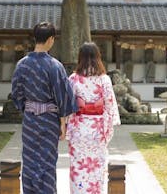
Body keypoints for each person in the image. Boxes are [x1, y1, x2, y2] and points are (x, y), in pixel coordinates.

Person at [11, 21, 78, 194]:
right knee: (47, 163)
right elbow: (62, 96)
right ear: (51, 39)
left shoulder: (22, 65)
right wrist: (63, 124)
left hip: (30, 121)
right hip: (49, 122)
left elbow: (17, 94)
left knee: (30, 160)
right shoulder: (54, 66)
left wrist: (28, 108)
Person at [66, 42, 121, 194]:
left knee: (78, 167)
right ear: (98, 57)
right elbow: (110, 108)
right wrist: (107, 132)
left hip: (79, 129)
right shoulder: (104, 79)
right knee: (96, 169)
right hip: (97, 130)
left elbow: (68, 107)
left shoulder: (73, 79)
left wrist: (67, 128)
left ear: (80, 58)